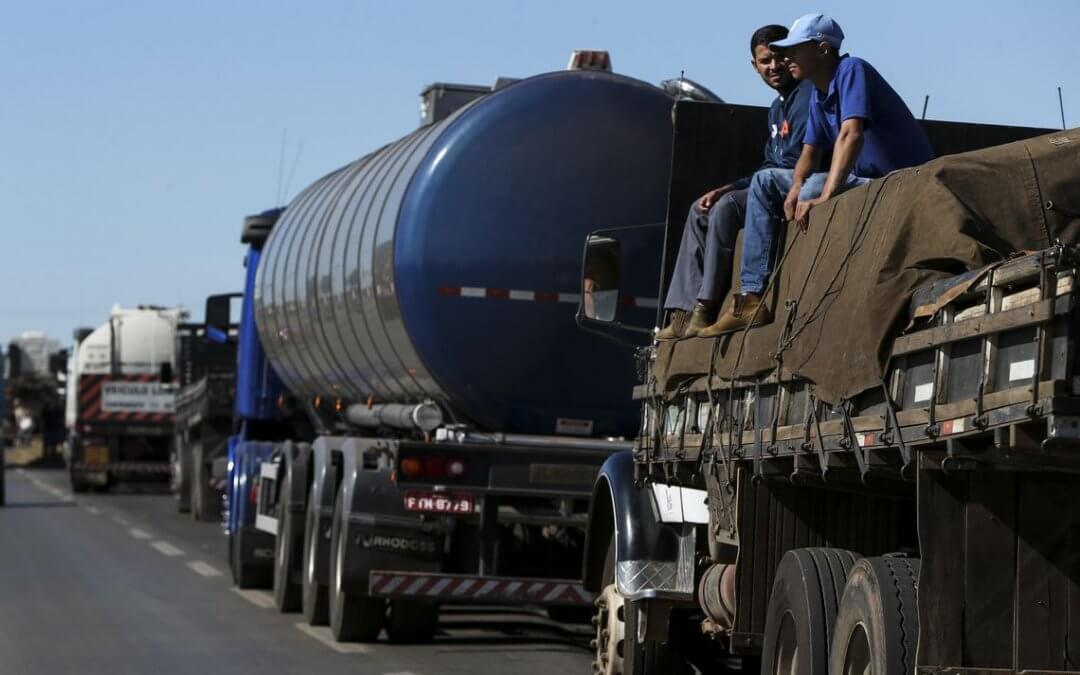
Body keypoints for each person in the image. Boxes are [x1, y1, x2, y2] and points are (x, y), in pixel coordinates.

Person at [700, 13, 934, 337]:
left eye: (795, 49)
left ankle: (817, 297)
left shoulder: (852, 70)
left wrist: (823, 195)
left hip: (896, 181)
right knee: (767, 181)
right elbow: (809, 154)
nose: (787, 57)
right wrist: (794, 186)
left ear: (823, 49)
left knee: (814, 188)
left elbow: (851, 136)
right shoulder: (817, 93)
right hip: (861, 180)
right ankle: (752, 296)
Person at [657, 24, 814, 340]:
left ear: (792, 56)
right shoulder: (775, 109)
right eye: (765, 61)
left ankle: (707, 304)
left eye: (779, 58)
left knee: (726, 209)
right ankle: (682, 310)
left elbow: (799, 161)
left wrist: (735, 193)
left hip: (798, 182)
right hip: (767, 182)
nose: (773, 67)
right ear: (754, 66)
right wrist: (728, 186)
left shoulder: (807, 95)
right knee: (702, 207)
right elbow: (770, 164)